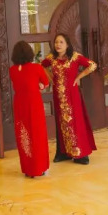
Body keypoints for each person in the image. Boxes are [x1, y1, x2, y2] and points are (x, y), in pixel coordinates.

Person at [41, 33, 97, 165]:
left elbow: (92, 65)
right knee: (62, 123)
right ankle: (64, 153)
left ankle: (80, 154)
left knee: (76, 122)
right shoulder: (51, 58)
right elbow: (42, 66)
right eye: (56, 42)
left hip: (72, 95)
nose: (58, 45)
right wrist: (50, 78)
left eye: (61, 42)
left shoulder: (75, 57)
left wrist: (78, 77)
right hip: (59, 96)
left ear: (67, 45)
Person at [10, 41, 50, 177]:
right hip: (34, 104)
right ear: (30, 53)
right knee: (37, 135)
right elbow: (46, 83)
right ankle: (39, 168)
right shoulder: (36, 68)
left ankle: (28, 169)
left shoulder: (12, 70)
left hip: (19, 105)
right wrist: (40, 86)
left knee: (24, 135)